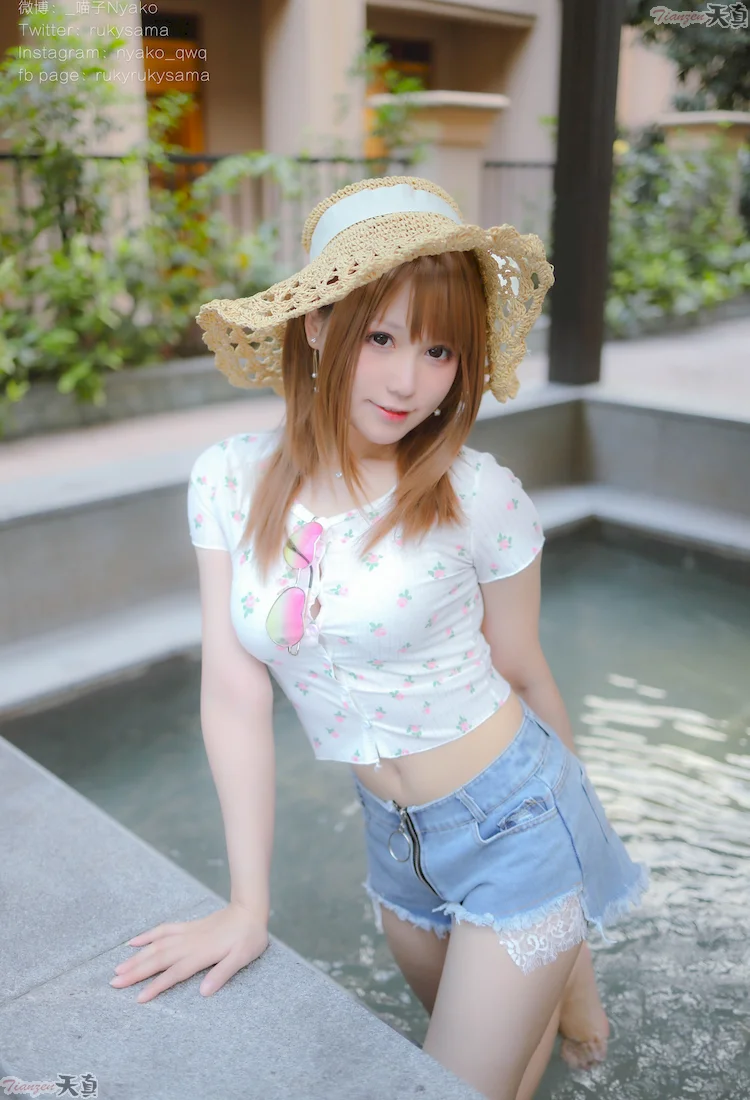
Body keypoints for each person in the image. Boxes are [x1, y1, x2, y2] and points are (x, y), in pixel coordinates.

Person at [109, 176, 648, 1100]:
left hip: (519, 820)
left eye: (440, 350)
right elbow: (233, 693)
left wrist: (575, 852)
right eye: (382, 338)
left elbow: (524, 672)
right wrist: (247, 906)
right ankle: (566, 977)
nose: (409, 382)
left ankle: (569, 961)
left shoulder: (478, 494)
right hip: (396, 847)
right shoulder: (229, 481)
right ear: (319, 324)